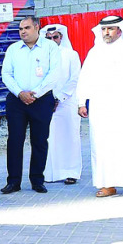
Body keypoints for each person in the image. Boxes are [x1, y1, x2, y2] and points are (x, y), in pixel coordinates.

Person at [75, 15, 123, 200]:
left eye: (110, 29)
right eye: (103, 29)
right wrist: (81, 101)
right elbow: (85, 78)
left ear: (120, 30)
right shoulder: (95, 52)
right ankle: (107, 184)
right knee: (103, 145)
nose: (106, 33)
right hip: (101, 106)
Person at [0, 16, 62, 194]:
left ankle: (37, 180)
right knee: (14, 141)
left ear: (37, 28)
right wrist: (20, 93)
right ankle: (13, 182)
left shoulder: (50, 47)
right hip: (16, 100)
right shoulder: (13, 49)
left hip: (41, 100)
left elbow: (54, 73)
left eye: (26, 28)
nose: (23, 32)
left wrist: (36, 93)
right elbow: (6, 74)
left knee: (40, 141)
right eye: (20, 29)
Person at [42, 23, 83, 185]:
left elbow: (74, 79)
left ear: (61, 37)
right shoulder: (41, 55)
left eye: (55, 37)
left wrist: (59, 97)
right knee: (49, 138)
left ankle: (71, 172)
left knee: (69, 136)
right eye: (49, 38)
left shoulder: (71, 54)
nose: (52, 40)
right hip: (45, 102)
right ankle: (50, 173)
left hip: (67, 102)